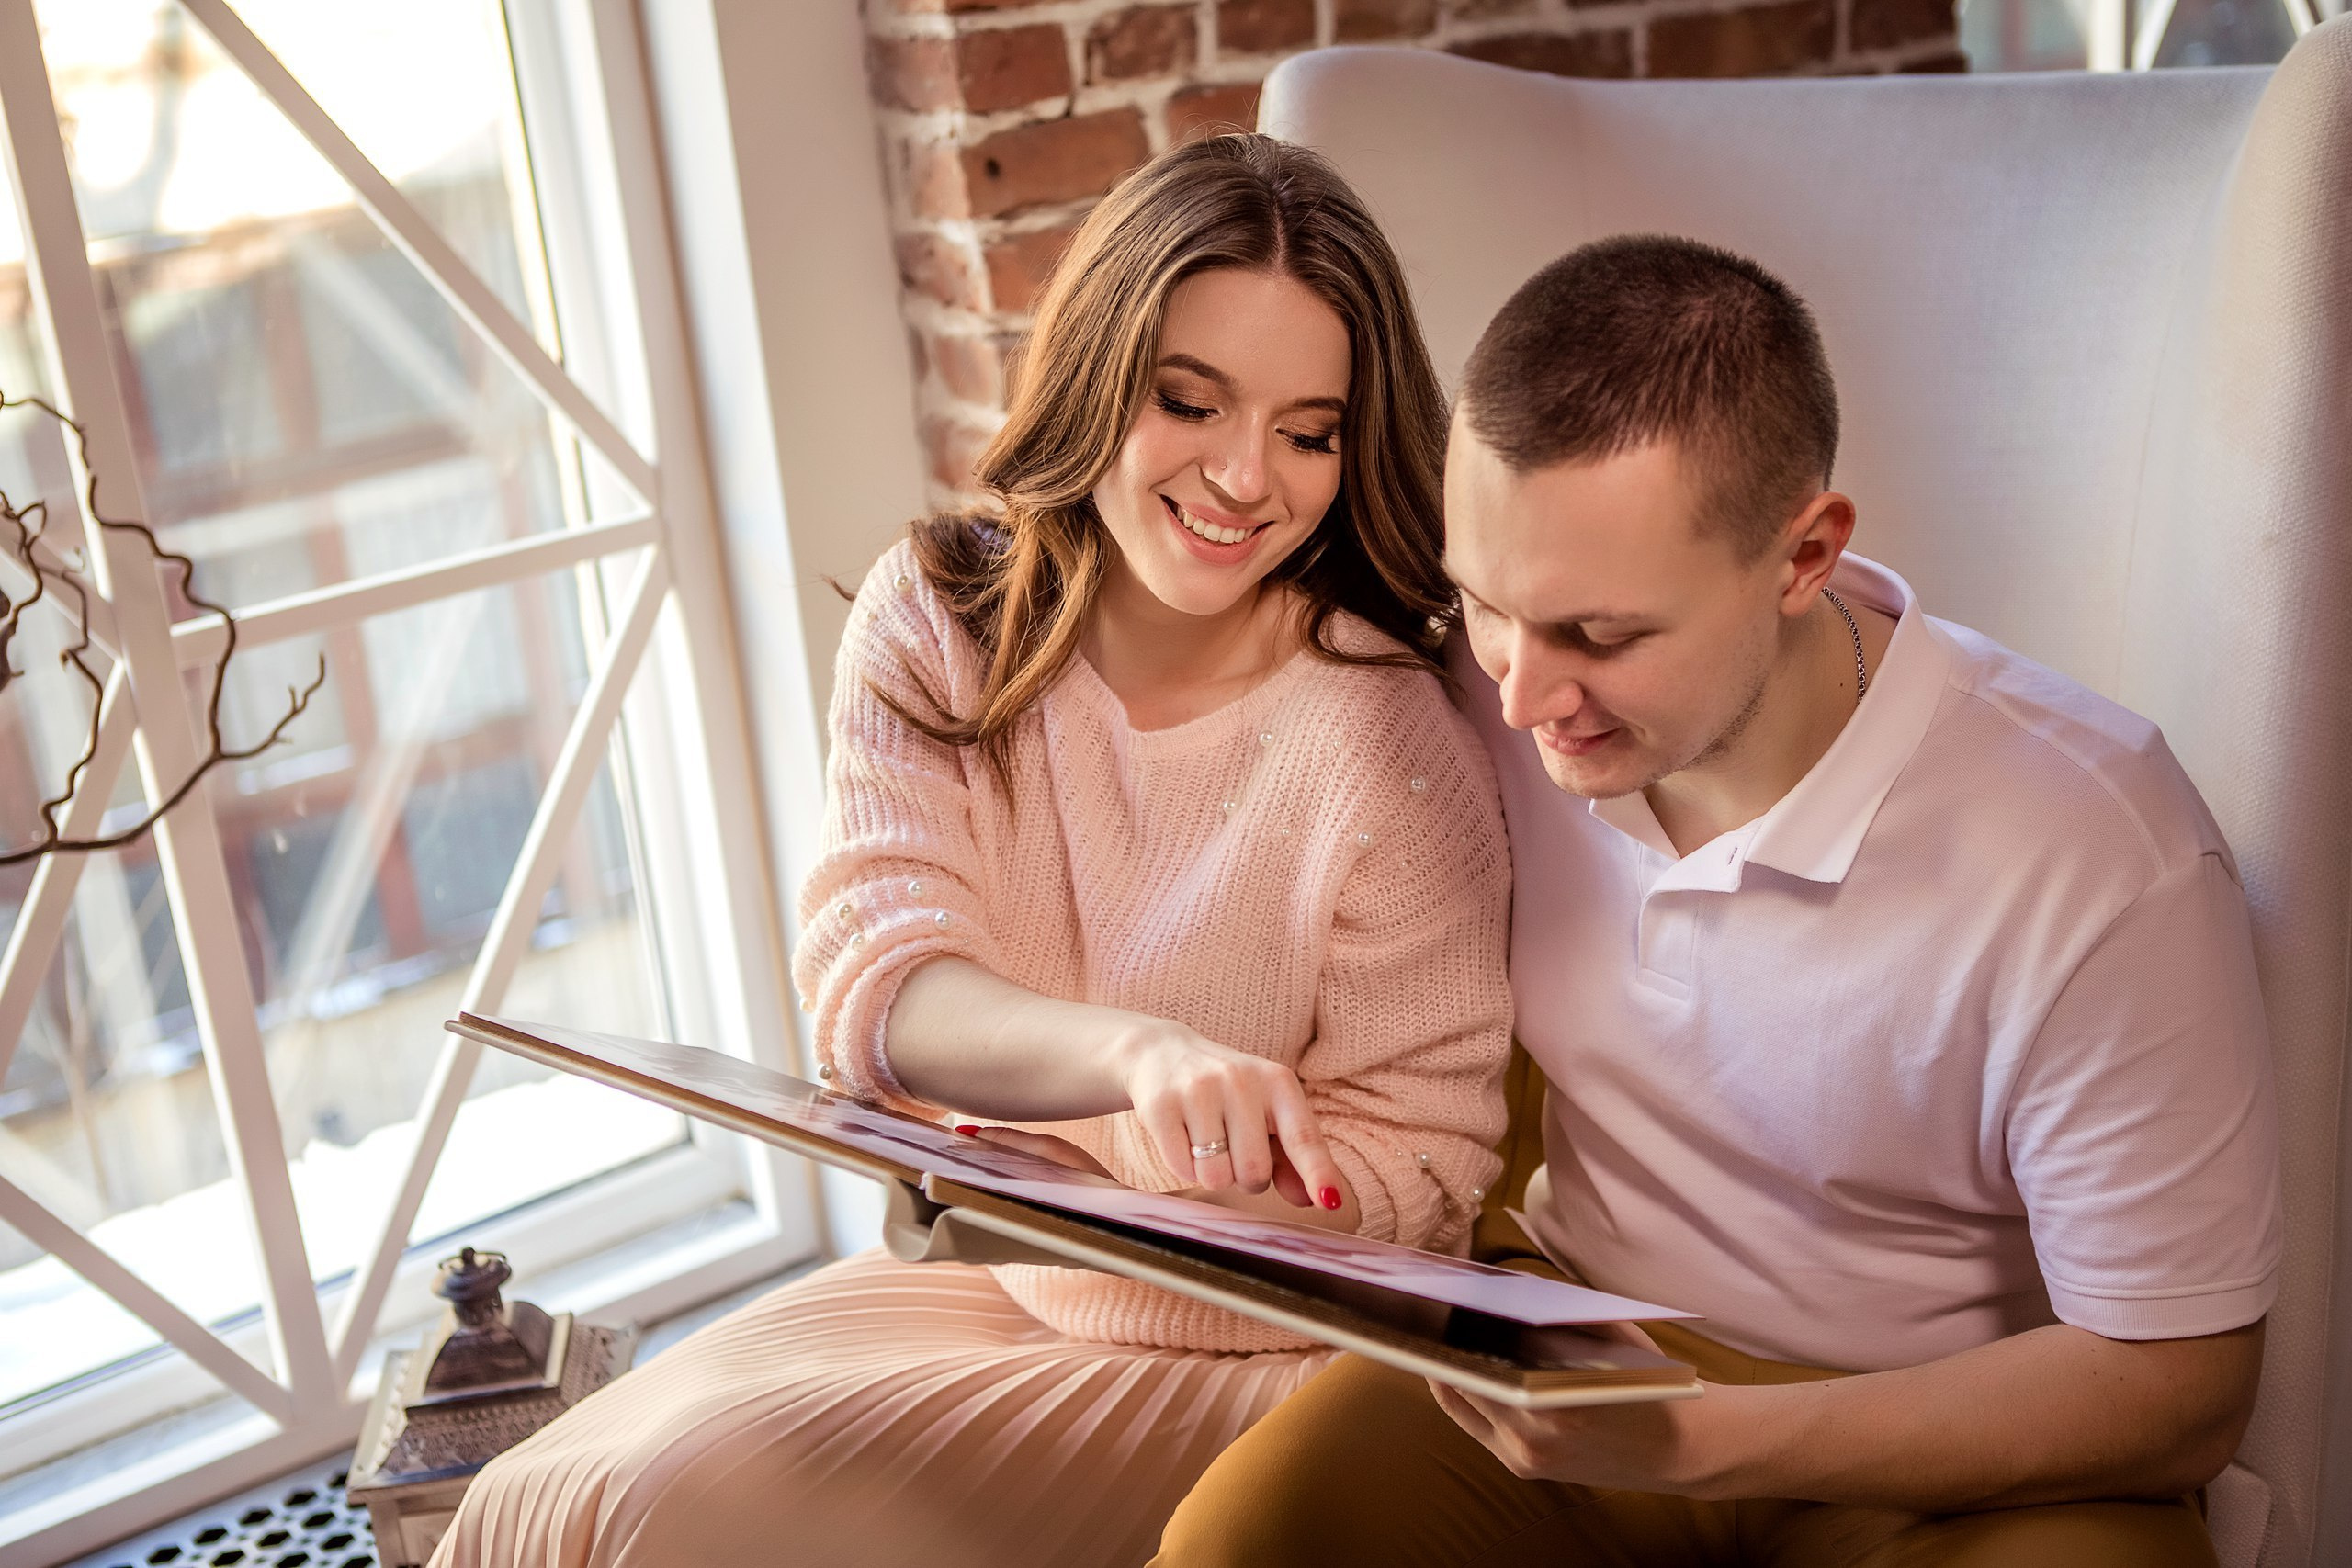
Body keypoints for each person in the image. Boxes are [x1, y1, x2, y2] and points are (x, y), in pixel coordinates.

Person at [429, 134, 1513, 1568]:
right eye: (1190, 402)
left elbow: (1427, 1180)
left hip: (1268, 1356)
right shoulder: (939, 621)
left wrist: (1173, 1183)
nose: (1246, 476)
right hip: (1007, 1286)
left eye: (1310, 432)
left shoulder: (1386, 743)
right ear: (1099, 372)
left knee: (659, 1514)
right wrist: (1138, 1059)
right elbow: (878, 987)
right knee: (539, 1501)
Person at [1155, 235, 2281, 1566]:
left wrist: (1707, 1443)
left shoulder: (2096, 849)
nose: (1520, 697)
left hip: (1962, 1452)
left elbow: (2181, 1391)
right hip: (1574, 1358)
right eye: (1488, 605)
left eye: (1602, 635)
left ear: (1806, 557)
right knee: (1244, 1539)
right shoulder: (1484, 696)